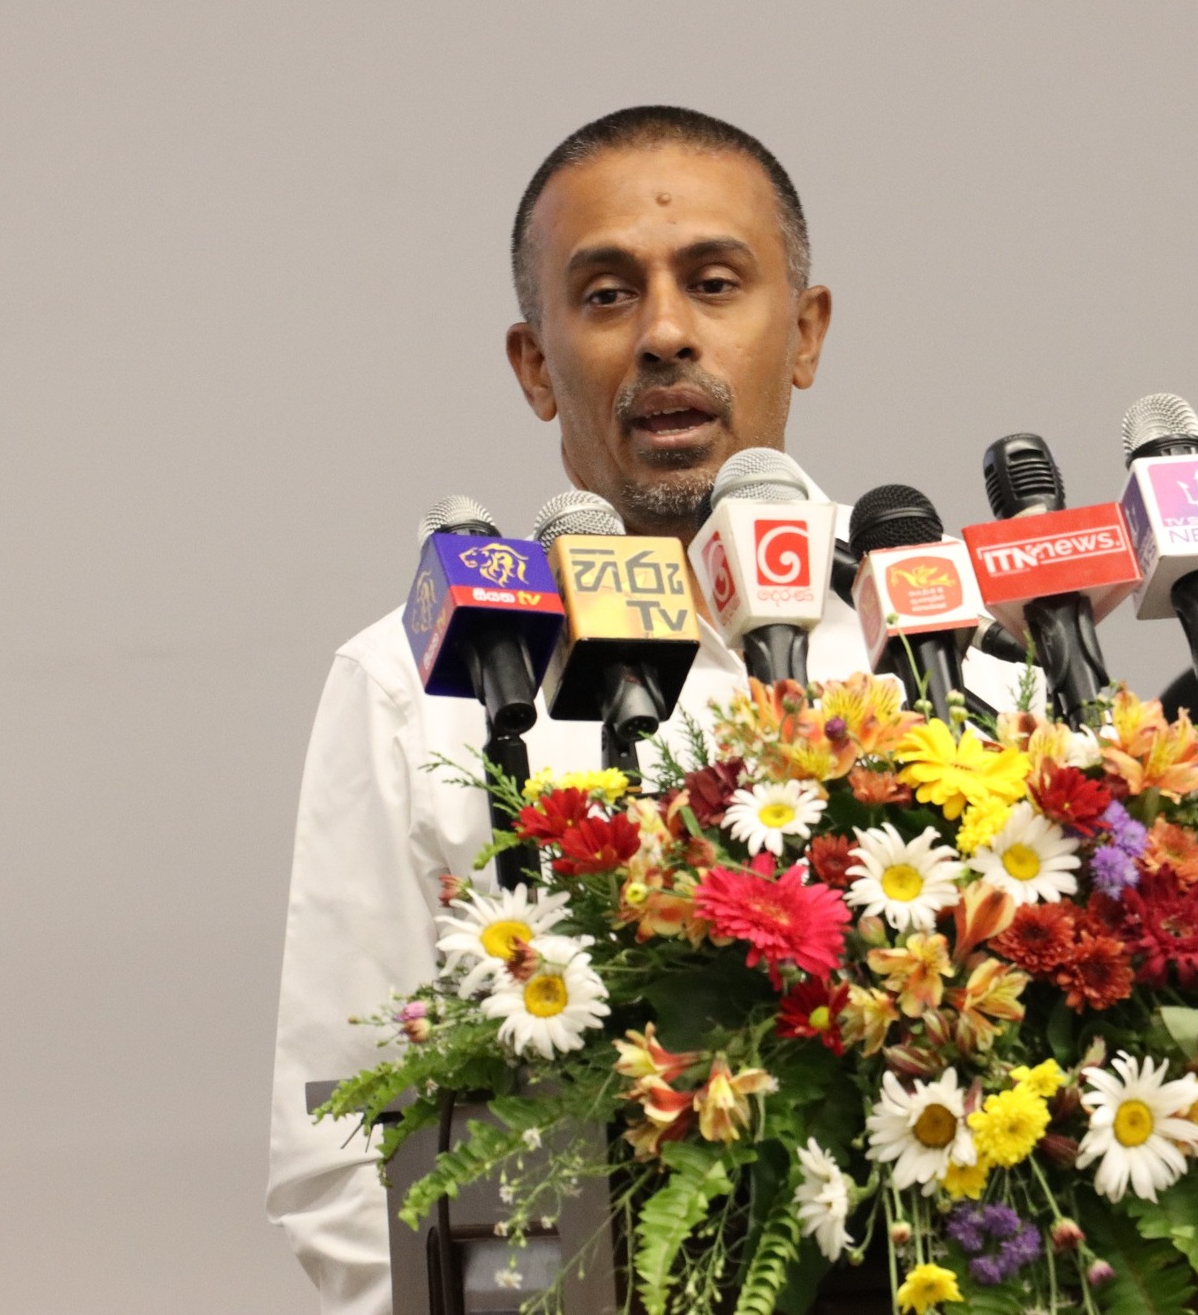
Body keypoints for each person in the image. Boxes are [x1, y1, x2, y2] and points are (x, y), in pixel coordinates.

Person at [265, 105, 1026, 1314]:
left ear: (805, 332)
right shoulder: (414, 680)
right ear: (535, 364)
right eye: (607, 295)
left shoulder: (960, 639)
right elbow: (344, 1152)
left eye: (714, 284)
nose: (665, 333)